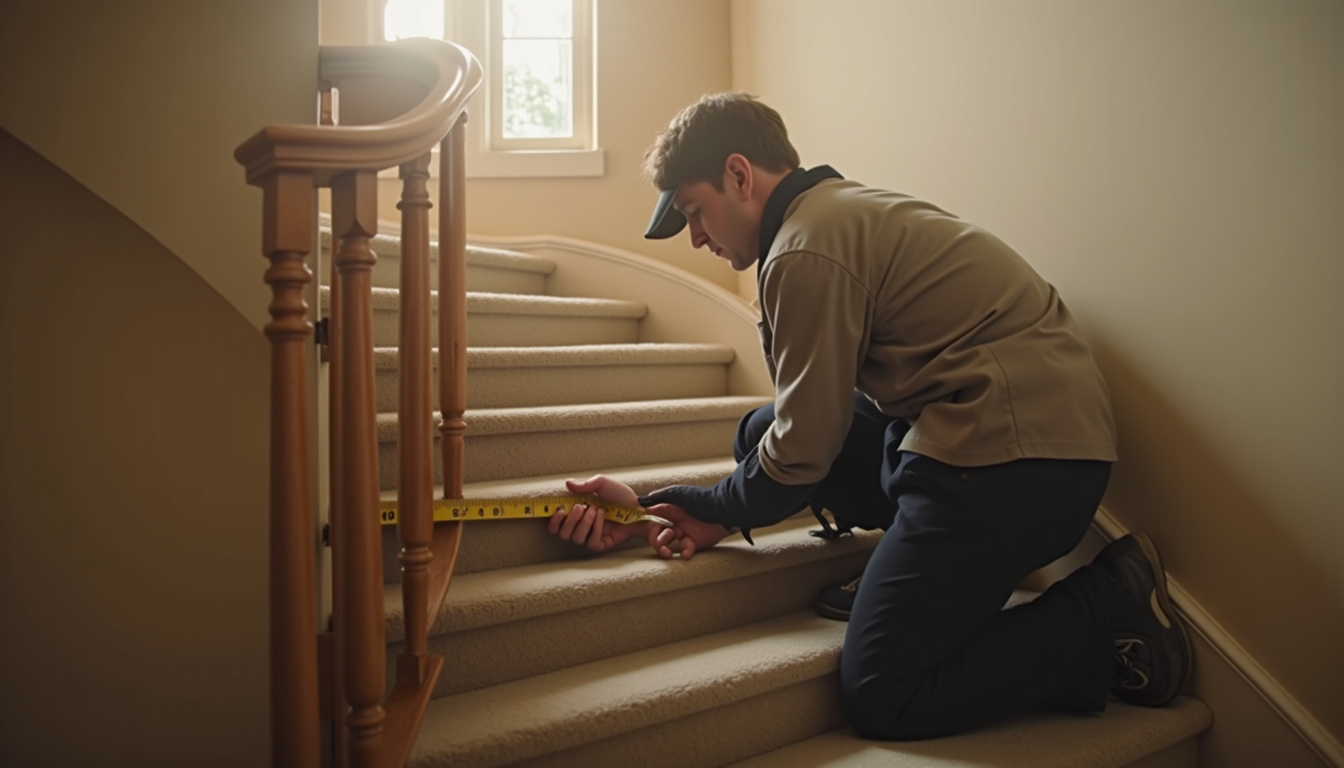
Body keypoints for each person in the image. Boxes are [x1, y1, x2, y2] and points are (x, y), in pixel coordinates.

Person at [547, 92, 1191, 740]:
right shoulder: (835, 214)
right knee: (756, 433)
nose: (696, 237)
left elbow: (801, 455)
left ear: (739, 175)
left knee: (883, 690)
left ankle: (1106, 606)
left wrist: (709, 502)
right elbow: (801, 431)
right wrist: (707, 514)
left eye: (695, 211)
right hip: (1009, 441)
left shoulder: (803, 250)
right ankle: (920, 569)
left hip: (1017, 465)